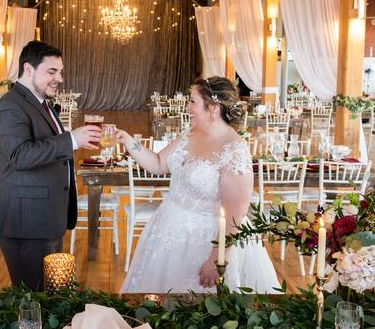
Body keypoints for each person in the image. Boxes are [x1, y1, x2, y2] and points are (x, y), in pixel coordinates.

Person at [118, 76, 280, 294]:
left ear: (213, 108)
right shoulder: (190, 135)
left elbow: (236, 213)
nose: (187, 107)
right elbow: (158, 163)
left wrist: (216, 259)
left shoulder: (234, 150)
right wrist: (129, 142)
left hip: (206, 241)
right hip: (168, 230)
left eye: (193, 101)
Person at [0, 41, 101, 290]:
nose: (59, 78)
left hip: (46, 218)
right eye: (52, 71)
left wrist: (73, 141)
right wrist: (72, 139)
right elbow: (19, 155)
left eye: (60, 72)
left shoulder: (39, 103)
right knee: (33, 299)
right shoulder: (10, 106)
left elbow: (46, 149)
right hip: (26, 221)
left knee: (48, 297)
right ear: (29, 69)